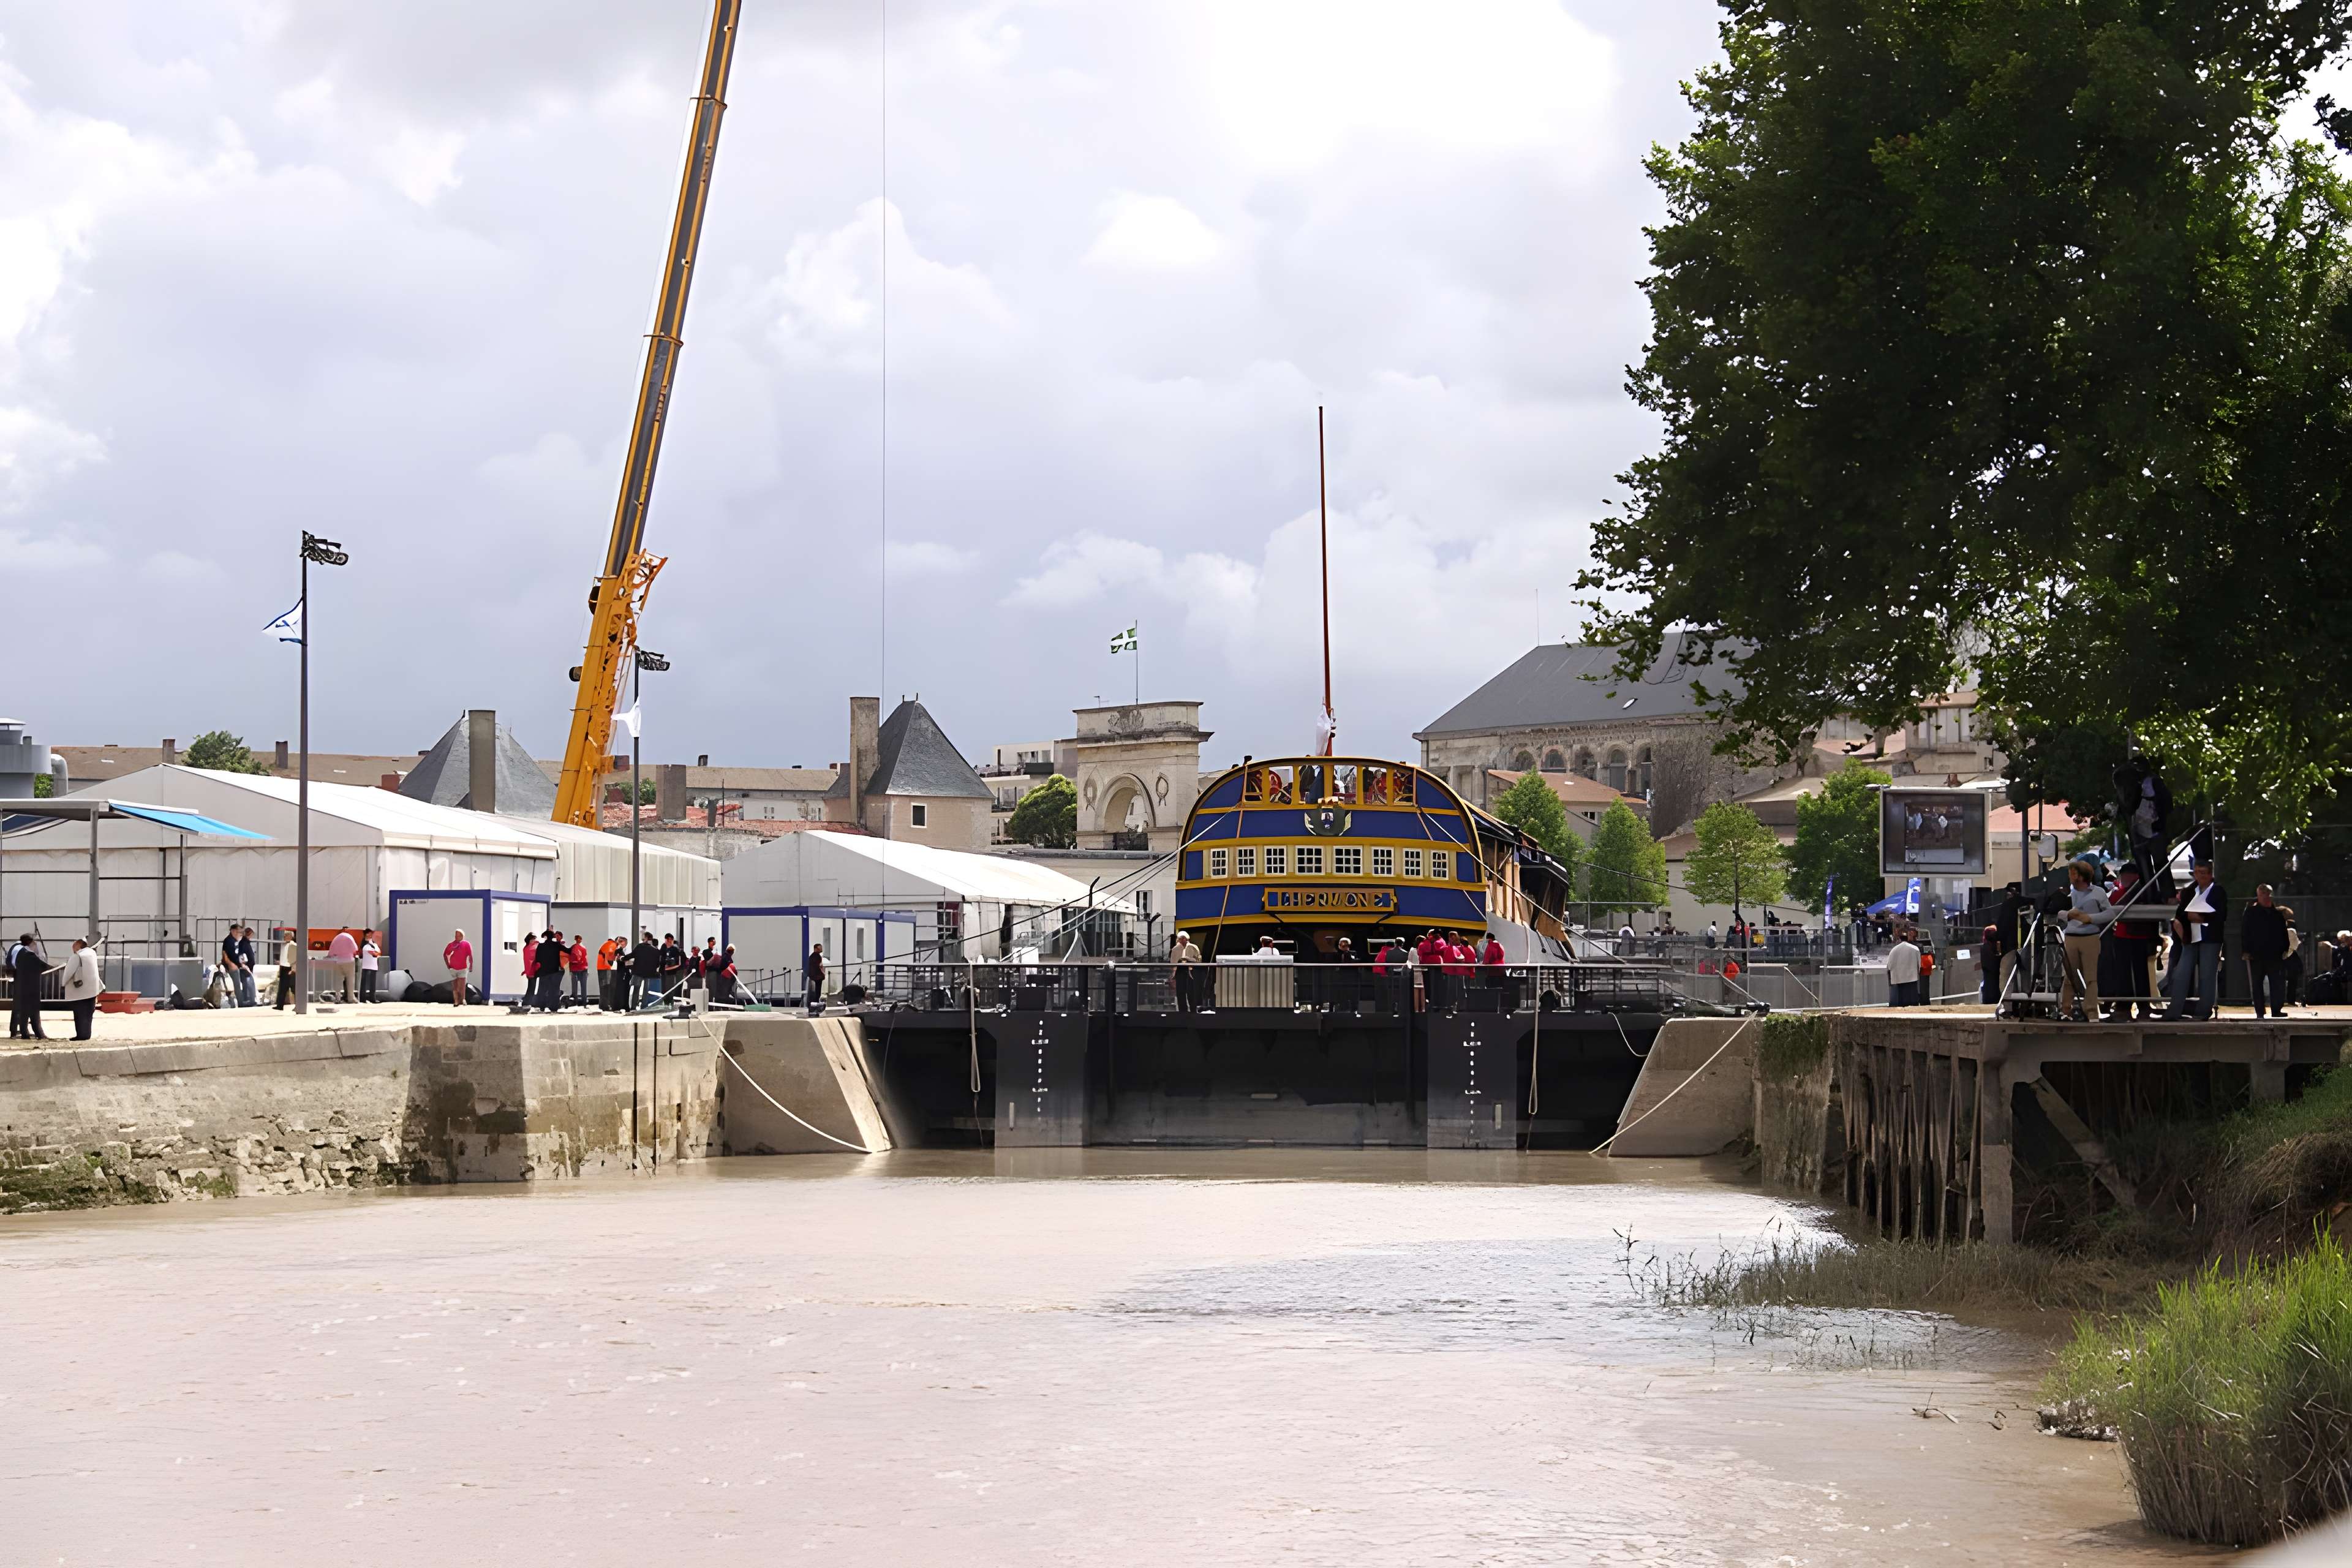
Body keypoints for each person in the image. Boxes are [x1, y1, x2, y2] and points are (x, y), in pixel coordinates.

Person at [2163, 861, 2228, 1020]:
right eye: (2197, 872)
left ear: (2211, 874)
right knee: (2181, 974)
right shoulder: (2190, 891)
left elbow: (2220, 916)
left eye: (2204, 872)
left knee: (2207, 975)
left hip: (2210, 938)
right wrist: (2183, 923)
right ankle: (2174, 1011)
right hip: (2190, 938)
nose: (2200, 876)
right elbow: (2181, 914)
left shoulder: (2218, 891)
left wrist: (2201, 917)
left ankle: (2203, 1011)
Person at [2058, 862, 2114, 1023]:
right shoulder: (2067, 892)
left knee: (2091, 976)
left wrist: (2090, 919)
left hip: (2091, 937)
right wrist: (2068, 915)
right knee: (2070, 975)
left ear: (2081, 876)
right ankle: (2066, 1010)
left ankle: (2091, 1011)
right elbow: (2056, 910)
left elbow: (2110, 913)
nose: (2070, 876)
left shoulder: (2098, 892)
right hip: (2071, 936)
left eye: (2073, 873)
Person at [2100, 865, 2157, 1021]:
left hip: (2135, 937)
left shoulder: (2142, 891)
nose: (2124, 879)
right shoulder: (2134, 891)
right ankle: (2129, 1007)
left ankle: (2137, 1007)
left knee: (2137, 974)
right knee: (2126, 974)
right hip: (2124, 937)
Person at [2241, 884, 2290, 1020]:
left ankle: (2276, 1009)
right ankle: (2260, 1011)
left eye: (2267, 894)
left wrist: (2285, 948)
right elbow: (2245, 932)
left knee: (2277, 983)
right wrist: (2246, 950)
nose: (2265, 896)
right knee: (2257, 984)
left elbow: (2283, 933)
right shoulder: (2251, 912)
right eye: (2262, 894)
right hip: (2256, 954)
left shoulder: (2277, 914)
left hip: (2274, 954)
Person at [8, 933, 50, 1039]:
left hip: (20, 983)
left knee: (22, 1010)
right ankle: (36, 1033)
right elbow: (44, 966)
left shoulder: (19, 950)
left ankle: (24, 1032)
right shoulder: (28, 954)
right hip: (29, 986)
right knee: (28, 1010)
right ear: (30, 943)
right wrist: (41, 956)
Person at [61, 935, 102, 1041]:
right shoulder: (92, 954)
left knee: (79, 1015)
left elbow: (69, 973)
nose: (73, 950)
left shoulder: (77, 956)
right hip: (93, 990)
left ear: (78, 946)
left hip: (80, 992)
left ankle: (81, 1035)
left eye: (74, 947)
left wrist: (63, 983)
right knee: (88, 1016)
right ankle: (87, 1034)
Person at [1886, 930, 1920, 1008]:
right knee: (1912, 1006)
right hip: (1912, 980)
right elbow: (1919, 965)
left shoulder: (1894, 950)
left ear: (1900, 939)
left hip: (1897, 980)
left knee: (1898, 1005)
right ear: (1908, 938)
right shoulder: (1915, 949)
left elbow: (1889, 966)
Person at [1170, 929, 1202, 1014]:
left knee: (1192, 993)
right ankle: (1183, 1013)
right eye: (1180, 939)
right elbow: (1173, 963)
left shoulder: (1193, 947)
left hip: (1191, 970)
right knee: (1181, 993)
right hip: (1180, 971)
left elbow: (1199, 960)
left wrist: (1188, 959)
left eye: (1182, 938)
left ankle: (1193, 1011)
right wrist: (1173, 975)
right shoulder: (1175, 949)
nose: (1181, 940)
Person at [628, 930, 662, 1011]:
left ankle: (633, 1007)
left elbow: (632, 955)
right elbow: (658, 964)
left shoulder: (640, 946)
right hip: (649, 973)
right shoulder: (656, 950)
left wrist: (623, 958)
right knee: (646, 990)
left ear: (645, 938)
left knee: (636, 989)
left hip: (638, 972)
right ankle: (644, 1006)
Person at [536, 930, 568, 1011]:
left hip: (544, 971)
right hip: (554, 971)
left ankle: (542, 1006)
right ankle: (553, 1007)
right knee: (554, 989)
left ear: (545, 937)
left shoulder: (541, 946)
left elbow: (537, 959)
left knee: (543, 989)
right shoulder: (557, 945)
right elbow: (568, 951)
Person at [217, 927, 248, 1009]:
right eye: (238, 932)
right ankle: (241, 1003)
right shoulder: (229, 941)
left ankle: (240, 1002)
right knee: (237, 986)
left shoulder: (234, 941)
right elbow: (228, 954)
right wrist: (235, 964)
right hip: (232, 966)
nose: (240, 934)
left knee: (238, 985)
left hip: (235, 965)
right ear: (233, 931)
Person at [326, 927, 359, 1003]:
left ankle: (338, 998)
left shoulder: (336, 939)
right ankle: (351, 998)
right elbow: (355, 949)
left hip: (338, 962)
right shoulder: (350, 937)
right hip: (349, 961)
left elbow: (331, 953)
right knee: (350, 980)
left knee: (338, 981)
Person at [444, 929, 472, 1007]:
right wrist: (448, 965)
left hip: (463, 968)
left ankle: (463, 999)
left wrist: (471, 966)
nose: (457, 937)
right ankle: (456, 1001)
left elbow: (470, 956)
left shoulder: (466, 944)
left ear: (462, 936)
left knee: (462, 985)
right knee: (455, 986)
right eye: (456, 935)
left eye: (459, 935)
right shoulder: (451, 945)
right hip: (453, 968)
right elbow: (445, 954)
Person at [274, 929, 300, 1008]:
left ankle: (298, 1005)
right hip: (283, 967)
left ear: (291, 936)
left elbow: (295, 959)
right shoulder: (283, 945)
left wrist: (293, 968)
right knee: (282, 988)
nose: (284, 936)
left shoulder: (294, 945)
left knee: (294, 988)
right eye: (284, 935)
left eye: (287, 935)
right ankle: (280, 1005)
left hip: (290, 968)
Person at [596, 935, 622, 1009]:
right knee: (606, 987)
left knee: (603, 987)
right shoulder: (613, 945)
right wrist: (608, 963)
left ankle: (602, 1005)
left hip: (601, 967)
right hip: (605, 968)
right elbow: (609, 953)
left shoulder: (609, 944)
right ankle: (605, 1006)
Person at [658, 934, 687, 1001]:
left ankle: (670, 1003)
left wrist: (670, 964)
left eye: (671, 940)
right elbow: (661, 958)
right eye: (668, 940)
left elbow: (678, 962)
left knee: (670, 989)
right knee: (663, 989)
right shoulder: (663, 947)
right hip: (663, 972)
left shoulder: (675, 949)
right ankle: (665, 1003)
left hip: (671, 972)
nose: (670, 941)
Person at [804, 940, 826, 1013]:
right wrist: (823, 973)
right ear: (816, 949)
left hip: (814, 976)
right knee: (818, 991)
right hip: (818, 977)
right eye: (820, 948)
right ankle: (816, 1004)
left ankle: (815, 1003)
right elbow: (820, 966)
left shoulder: (812, 957)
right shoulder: (817, 957)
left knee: (815, 991)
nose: (821, 949)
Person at [358, 930, 380, 1003]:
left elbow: (378, 953)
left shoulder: (374, 945)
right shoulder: (366, 946)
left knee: (371, 984)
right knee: (367, 984)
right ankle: (366, 999)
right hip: (368, 967)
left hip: (372, 966)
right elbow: (375, 954)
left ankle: (369, 998)